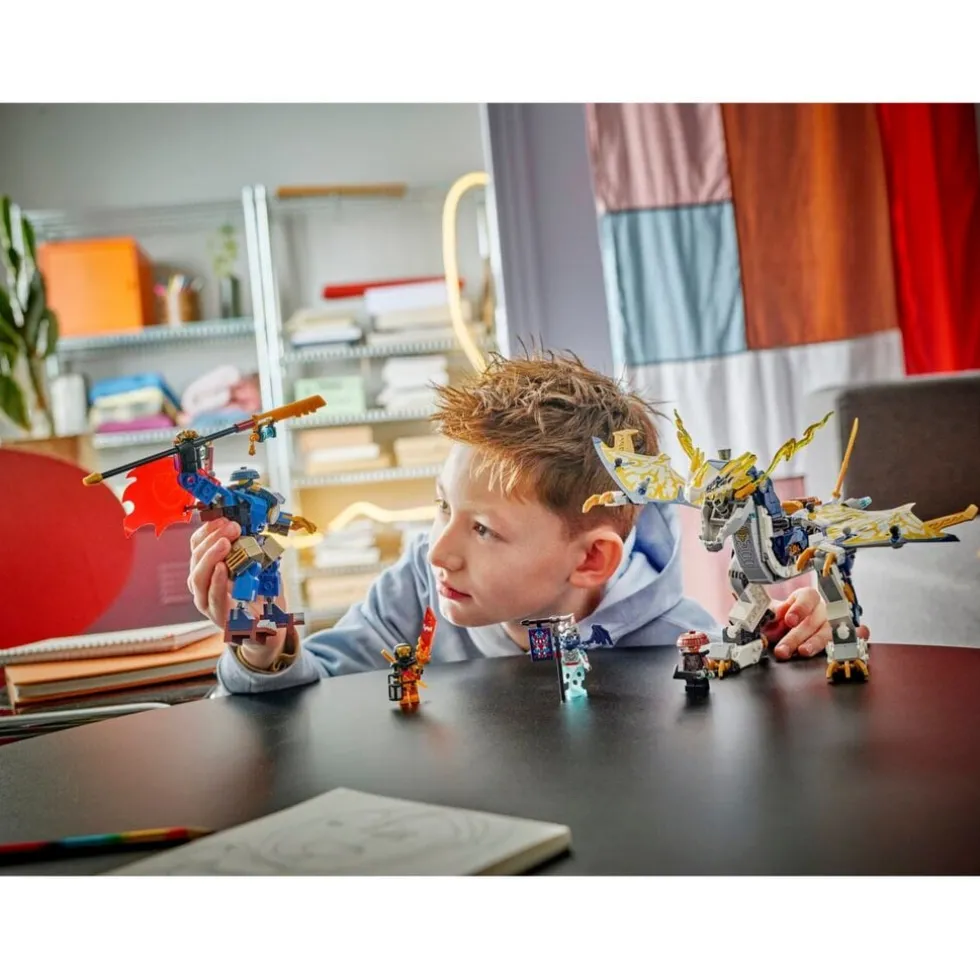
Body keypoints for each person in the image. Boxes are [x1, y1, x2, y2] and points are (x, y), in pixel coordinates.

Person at [187, 351, 846, 696]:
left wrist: (799, 646)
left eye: (483, 530)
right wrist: (262, 649)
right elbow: (312, 691)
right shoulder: (414, 591)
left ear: (590, 559)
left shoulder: (679, 639)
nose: (438, 551)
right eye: (444, 506)